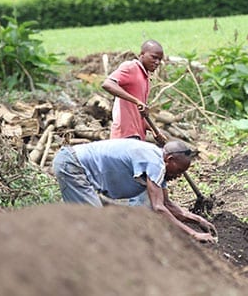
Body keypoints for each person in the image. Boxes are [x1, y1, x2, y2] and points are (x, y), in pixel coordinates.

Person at [52, 138, 217, 243]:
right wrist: (193, 234)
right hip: (73, 166)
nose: (179, 176)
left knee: (94, 223)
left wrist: (198, 220)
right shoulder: (155, 163)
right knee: (94, 224)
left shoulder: (157, 164)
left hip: (74, 164)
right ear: (170, 160)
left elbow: (167, 204)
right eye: (179, 170)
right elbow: (159, 208)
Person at [102, 40, 165, 145]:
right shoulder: (131, 67)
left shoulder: (145, 78)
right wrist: (136, 101)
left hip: (137, 136)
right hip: (125, 135)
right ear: (142, 55)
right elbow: (108, 84)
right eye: (154, 57)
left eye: (159, 59)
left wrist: (154, 129)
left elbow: (137, 113)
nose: (157, 62)